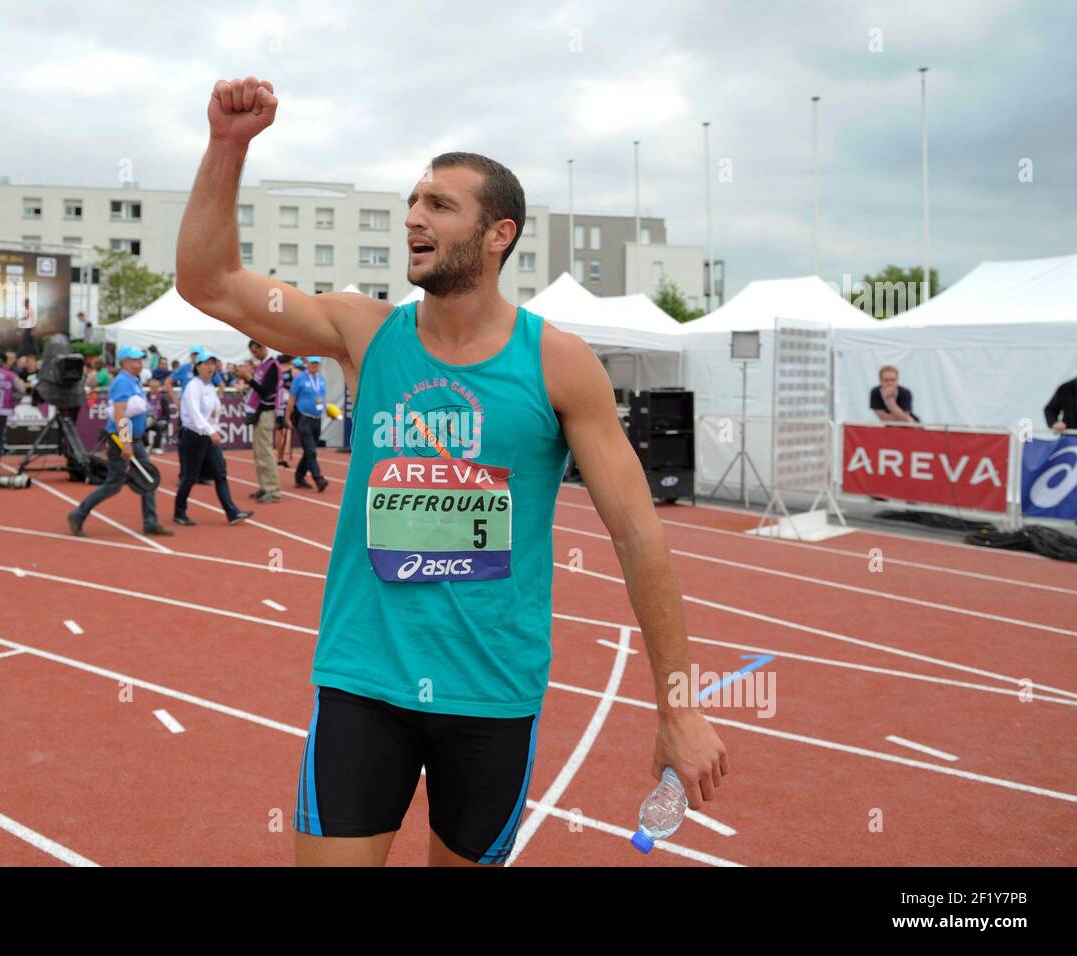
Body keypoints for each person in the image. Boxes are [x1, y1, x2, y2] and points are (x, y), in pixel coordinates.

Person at [174, 77, 727, 867]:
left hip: (492, 695)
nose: (413, 218)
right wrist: (228, 148)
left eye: (438, 204)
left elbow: (640, 535)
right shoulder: (362, 330)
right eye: (412, 201)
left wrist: (679, 708)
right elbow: (212, 285)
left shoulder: (558, 364)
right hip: (366, 680)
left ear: (499, 234)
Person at [66, 346, 173, 538]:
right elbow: (119, 414)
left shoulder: (134, 380)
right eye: (135, 360)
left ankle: (151, 522)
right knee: (113, 484)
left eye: (140, 360)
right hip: (122, 440)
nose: (139, 363)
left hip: (136, 439)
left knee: (148, 479)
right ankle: (78, 514)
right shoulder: (122, 382)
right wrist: (125, 443)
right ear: (124, 362)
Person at [173, 346, 254, 526]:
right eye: (206, 364)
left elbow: (213, 413)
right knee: (190, 476)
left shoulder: (210, 386)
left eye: (212, 364)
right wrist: (211, 431)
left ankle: (232, 512)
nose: (210, 367)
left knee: (220, 473)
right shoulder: (193, 386)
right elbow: (194, 413)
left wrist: (214, 430)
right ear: (198, 366)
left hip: (209, 437)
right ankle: (179, 512)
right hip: (194, 436)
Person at [242, 339, 283, 503]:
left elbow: (266, 392)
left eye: (256, 351)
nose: (255, 355)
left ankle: (273, 490)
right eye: (253, 353)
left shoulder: (272, 365)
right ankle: (264, 486)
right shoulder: (264, 365)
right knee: (258, 451)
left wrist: (249, 379)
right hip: (260, 412)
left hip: (266, 412)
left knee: (265, 451)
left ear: (263, 347)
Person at [285, 356, 329, 492]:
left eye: (317, 363)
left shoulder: (321, 379)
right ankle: (318, 478)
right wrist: (287, 418)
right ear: (307, 363)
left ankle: (299, 477)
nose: (315, 365)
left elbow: (322, 398)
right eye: (312, 362)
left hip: (317, 419)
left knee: (309, 451)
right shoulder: (299, 379)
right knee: (311, 450)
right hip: (303, 418)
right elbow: (291, 400)